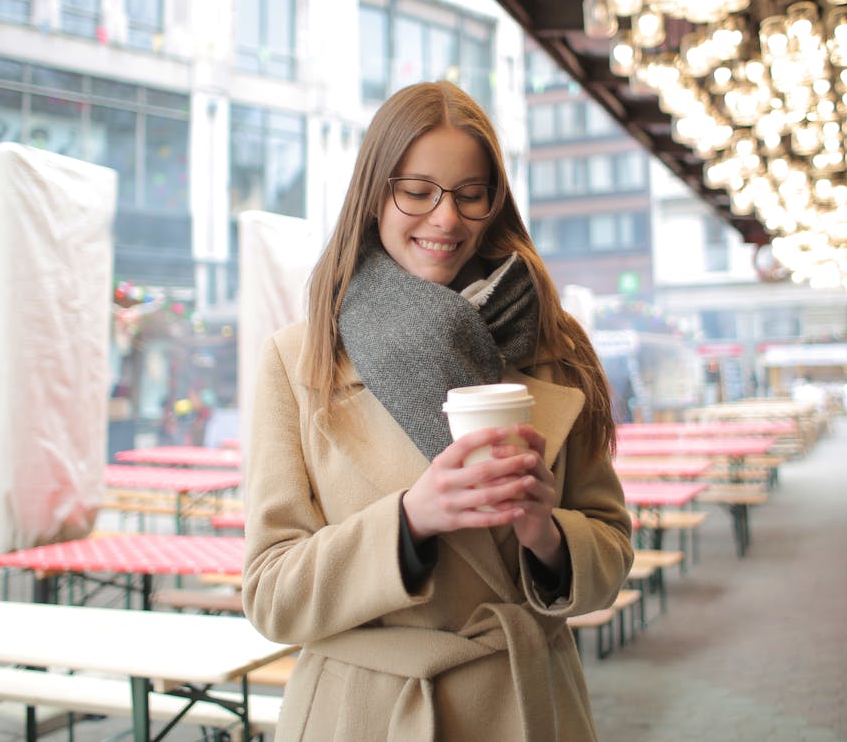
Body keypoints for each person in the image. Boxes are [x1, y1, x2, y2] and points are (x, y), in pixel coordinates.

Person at [243, 81, 634, 741]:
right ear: (373, 196)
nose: (446, 218)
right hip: (366, 713)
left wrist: (547, 535)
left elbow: (614, 548)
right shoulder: (297, 359)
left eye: (469, 193)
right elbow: (270, 595)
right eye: (417, 191)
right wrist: (409, 523)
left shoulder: (555, 349)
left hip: (526, 699)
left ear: (494, 201)